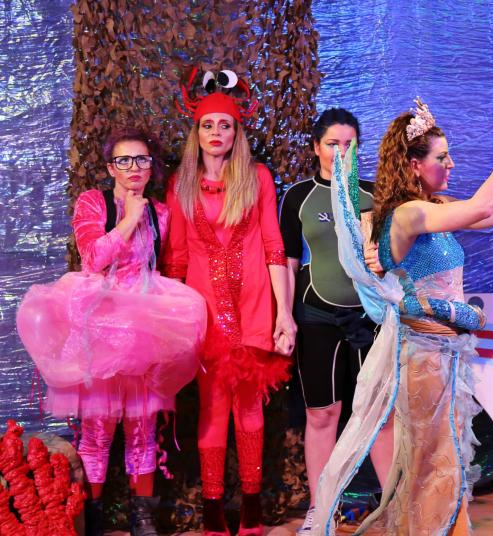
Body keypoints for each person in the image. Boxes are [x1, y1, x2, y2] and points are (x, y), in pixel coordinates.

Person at [310, 98, 493, 535]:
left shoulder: (434, 205)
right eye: (442, 157)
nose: (451, 164)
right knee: (435, 463)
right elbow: (482, 206)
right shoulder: (409, 214)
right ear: (414, 164)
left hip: (447, 355)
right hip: (423, 358)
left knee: (444, 462)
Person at [16, 127, 206, 536]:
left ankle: (142, 517)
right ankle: (93, 516)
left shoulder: (162, 212)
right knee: (98, 430)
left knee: (143, 430)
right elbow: (93, 258)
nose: (134, 167)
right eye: (124, 160)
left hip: (144, 330)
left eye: (142, 159)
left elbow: (161, 265)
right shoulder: (93, 203)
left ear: (151, 167)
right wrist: (128, 219)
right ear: (110, 168)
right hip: (101, 330)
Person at [163, 68, 296, 536]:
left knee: (250, 407)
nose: (216, 133)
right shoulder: (181, 184)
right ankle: (213, 509)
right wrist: (174, 323)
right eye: (208, 125)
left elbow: (274, 247)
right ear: (196, 132)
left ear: (237, 132)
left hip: (254, 307)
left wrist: (285, 314)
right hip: (204, 315)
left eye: (225, 125)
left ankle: (252, 507)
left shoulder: (257, 178)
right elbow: (176, 260)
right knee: (213, 408)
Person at [278, 108, 393, 535]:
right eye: (332, 143)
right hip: (316, 315)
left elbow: (393, 257)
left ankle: (392, 507)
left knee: (380, 414)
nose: (341, 151)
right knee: (323, 413)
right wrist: (283, 316)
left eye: (349, 144)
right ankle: (320, 508)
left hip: (369, 316)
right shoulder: (298, 197)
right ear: (316, 147)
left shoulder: (375, 195)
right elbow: (287, 262)